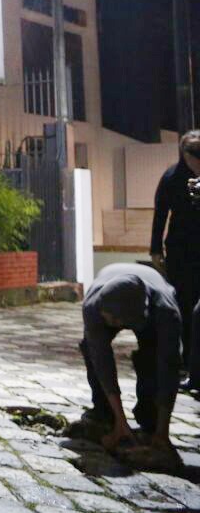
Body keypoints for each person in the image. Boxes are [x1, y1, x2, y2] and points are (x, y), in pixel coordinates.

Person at [80, 262, 180, 454]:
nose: (110, 323)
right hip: (111, 284)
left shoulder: (167, 312)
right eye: (107, 318)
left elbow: (169, 366)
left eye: (114, 321)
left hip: (152, 305)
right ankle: (106, 415)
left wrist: (163, 431)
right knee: (91, 350)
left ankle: (150, 421)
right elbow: (102, 361)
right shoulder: (94, 306)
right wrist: (120, 420)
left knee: (150, 358)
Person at [151, 130, 200, 380]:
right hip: (181, 249)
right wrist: (155, 249)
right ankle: (187, 360)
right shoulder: (172, 176)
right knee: (184, 303)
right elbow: (160, 213)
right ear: (185, 155)